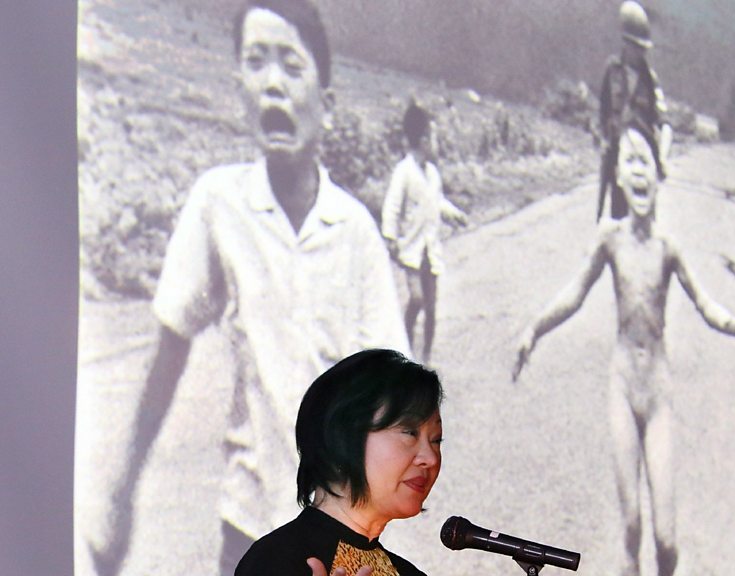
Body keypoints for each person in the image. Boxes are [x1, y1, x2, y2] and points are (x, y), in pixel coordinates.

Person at [90, 1, 409, 573]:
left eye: (291, 65)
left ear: (327, 104)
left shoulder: (355, 232)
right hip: (249, 525)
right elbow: (168, 350)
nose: (272, 84)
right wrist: (122, 488)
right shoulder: (219, 204)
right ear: (240, 87)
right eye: (255, 62)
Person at [513, 124, 735, 576]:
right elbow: (575, 293)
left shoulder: (669, 248)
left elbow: (705, 304)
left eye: (645, 161)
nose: (638, 170)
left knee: (666, 540)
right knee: (632, 526)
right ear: (620, 180)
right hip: (623, 387)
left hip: (659, 393)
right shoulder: (610, 239)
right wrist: (535, 328)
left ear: (657, 175)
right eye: (629, 162)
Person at [235, 349, 442, 576]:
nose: (431, 458)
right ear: (344, 435)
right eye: (410, 433)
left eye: (436, 440)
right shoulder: (275, 560)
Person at [382, 100, 469, 365]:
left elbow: (437, 201)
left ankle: (426, 358)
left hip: (430, 249)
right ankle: (404, 349)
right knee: (417, 298)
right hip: (411, 249)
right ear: (422, 141)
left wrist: (454, 214)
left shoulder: (432, 174)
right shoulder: (404, 171)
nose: (435, 143)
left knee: (431, 307)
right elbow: (392, 206)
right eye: (432, 138)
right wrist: (390, 237)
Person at [597, 0, 673, 221]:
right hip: (619, 158)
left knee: (643, 219)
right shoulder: (612, 71)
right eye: (636, 46)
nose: (640, 52)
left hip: (643, 157)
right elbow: (603, 111)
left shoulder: (651, 80)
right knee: (618, 220)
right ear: (626, 43)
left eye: (643, 48)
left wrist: (662, 157)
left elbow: (664, 123)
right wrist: (603, 139)